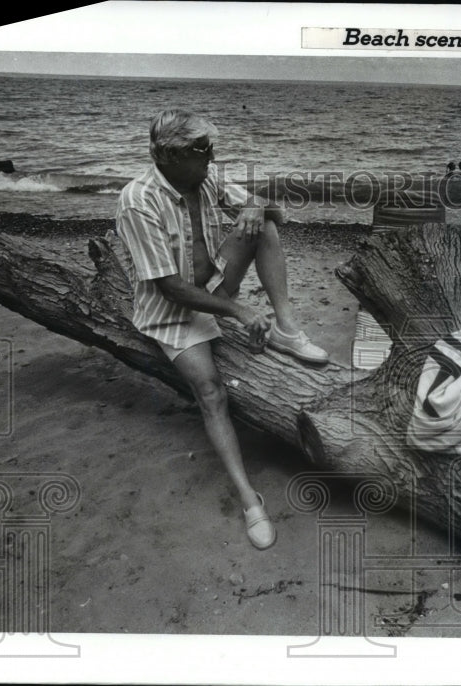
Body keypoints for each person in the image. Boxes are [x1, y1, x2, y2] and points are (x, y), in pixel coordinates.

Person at [115, 109, 328, 549]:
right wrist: (240, 312)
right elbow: (170, 288)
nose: (212, 157)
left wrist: (254, 205)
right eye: (202, 150)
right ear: (169, 155)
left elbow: (280, 214)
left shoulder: (204, 179)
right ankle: (251, 501)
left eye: (211, 148)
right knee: (212, 394)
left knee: (263, 224)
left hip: (211, 283)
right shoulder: (137, 201)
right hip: (170, 311)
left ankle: (288, 328)